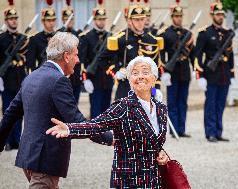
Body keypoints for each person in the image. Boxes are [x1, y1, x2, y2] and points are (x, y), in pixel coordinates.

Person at [0, 32, 113, 188]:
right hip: (45, 160)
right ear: (66, 56)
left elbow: (10, 114)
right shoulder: (58, 81)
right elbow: (76, 120)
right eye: (76, 55)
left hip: (29, 157)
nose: (78, 60)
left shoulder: (32, 77)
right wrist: (110, 137)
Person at [46, 56, 169, 188]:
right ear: (129, 80)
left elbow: (153, 141)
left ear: (154, 78)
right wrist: (70, 129)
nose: (140, 76)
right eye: (134, 73)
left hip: (154, 179)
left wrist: (161, 153)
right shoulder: (123, 106)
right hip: (129, 180)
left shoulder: (160, 108)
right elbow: (96, 125)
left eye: (145, 72)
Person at [97, 4, 164, 100]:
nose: (140, 23)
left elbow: (156, 67)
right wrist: (115, 73)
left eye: (142, 19)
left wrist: (156, 90)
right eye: (137, 20)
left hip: (147, 91)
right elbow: (102, 59)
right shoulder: (120, 39)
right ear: (129, 21)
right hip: (126, 89)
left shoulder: (151, 40)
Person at [194, 2, 234, 142]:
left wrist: (232, 74)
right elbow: (197, 55)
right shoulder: (204, 33)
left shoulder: (228, 33)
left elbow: (231, 55)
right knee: (210, 104)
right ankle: (210, 133)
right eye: (217, 14)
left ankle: (218, 132)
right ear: (212, 15)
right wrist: (199, 75)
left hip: (224, 74)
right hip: (210, 74)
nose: (220, 17)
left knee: (220, 105)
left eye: (222, 14)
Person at [160, 5, 194, 137]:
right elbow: (161, 54)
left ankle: (182, 129)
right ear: (172, 17)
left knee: (183, 102)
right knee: (172, 103)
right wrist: (164, 71)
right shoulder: (165, 33)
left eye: (180, 16)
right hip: (172, 72)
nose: (178, 19)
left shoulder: (187, 34)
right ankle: (174, 130)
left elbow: (192, 53)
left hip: (184, 72)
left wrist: (195, 69)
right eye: (176, 16)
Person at [0, 3, 27, 151]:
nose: (14, 21)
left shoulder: (23, 38)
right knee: (8, 112)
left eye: (15, 18)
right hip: (6, 80)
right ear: (6, 21)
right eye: (11, 19)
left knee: (20, 112)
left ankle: (18, 140)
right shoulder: (1, 39)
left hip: (20, 80)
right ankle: (8, 141)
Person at [79, 7, 114, 118]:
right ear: (94, 20)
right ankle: (95, 135)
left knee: (106, 111)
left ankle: (106, 135)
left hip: (107, 79)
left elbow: (114, 58)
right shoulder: (86, 37)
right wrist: (85, 80)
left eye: (103, 19)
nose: (101, 21)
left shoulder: (111, 36)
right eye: (99, 19)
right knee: (95, 111)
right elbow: (82, 61)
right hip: (94, 79)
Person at [60, 2, 82, 104]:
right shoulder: (58, 35)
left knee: (74, 104)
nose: (69, 21)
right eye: (66, 19)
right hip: (62, 76)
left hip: (75, 77)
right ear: (62, 20)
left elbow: (81, 56)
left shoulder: (79, 34)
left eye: (71, 19)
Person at [26, 5, 56, 71]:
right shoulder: (35, 39)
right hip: (41, 72)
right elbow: (31, 62)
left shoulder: (59, 37)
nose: (51, 23)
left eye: (53, 20)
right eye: (48, 20)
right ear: (43, 21)